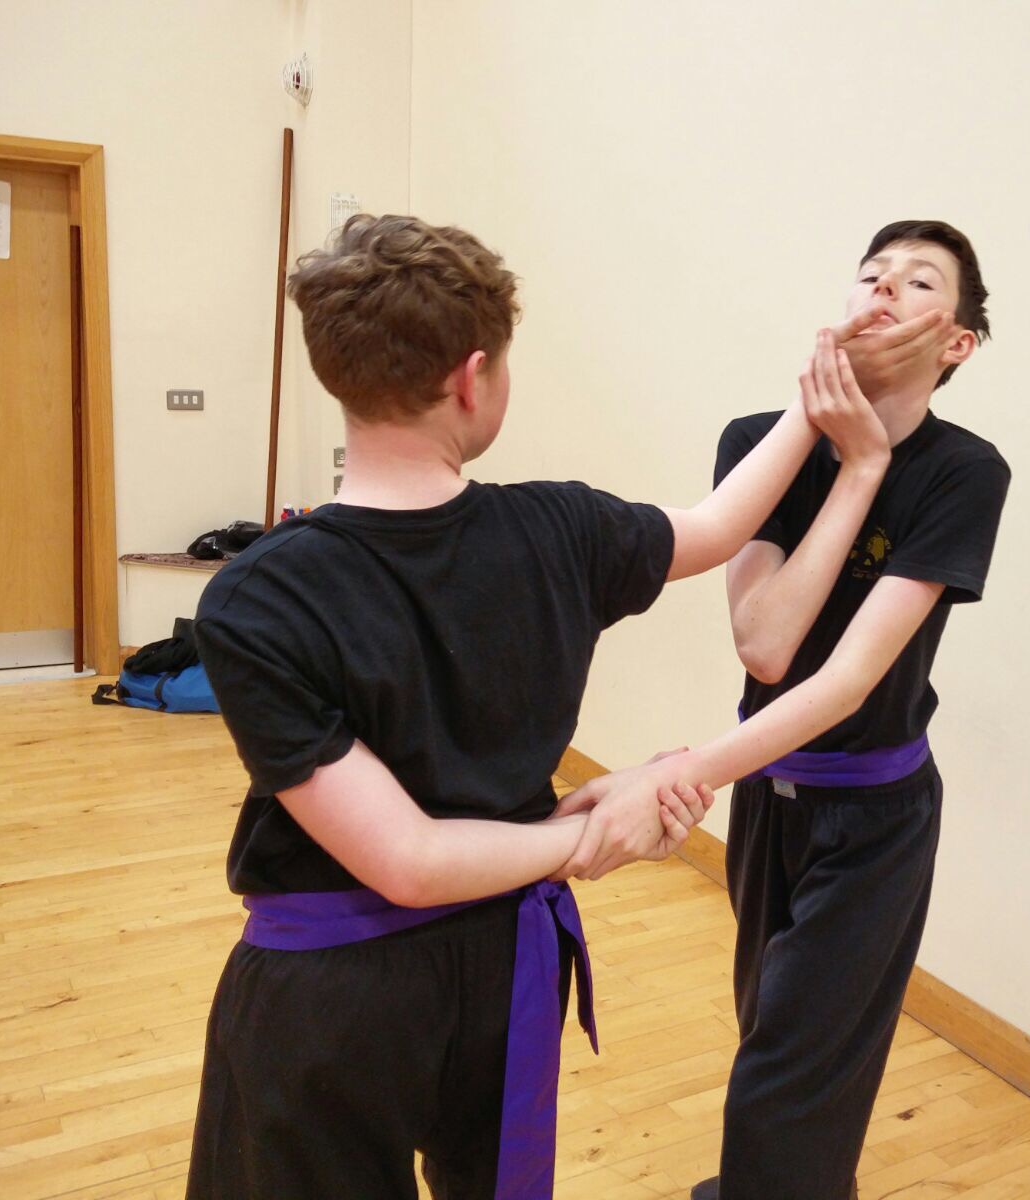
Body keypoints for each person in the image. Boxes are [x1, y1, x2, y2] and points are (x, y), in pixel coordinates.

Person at [183, 213, 922, 1199]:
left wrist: (827, 381)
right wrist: (598, 831)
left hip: (333, 1010)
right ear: (471, 378)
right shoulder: (558, 528)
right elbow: (716, 529)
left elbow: (407, 859)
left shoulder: (255, 595)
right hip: (496, 966)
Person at [564, 220, 1010, 1200]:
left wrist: (679, 777)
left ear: (955, 343)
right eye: (869, 274)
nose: (884, 289)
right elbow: (765, 644)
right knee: (778, 1034)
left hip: (875, 824)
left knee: (786, 1079)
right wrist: (841, 456)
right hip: (771, 799)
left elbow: (843, 681)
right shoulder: (758, 442)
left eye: (917, 281)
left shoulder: (963, 473)